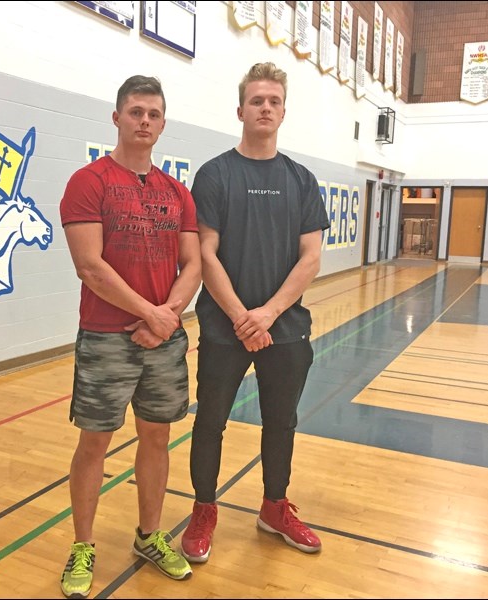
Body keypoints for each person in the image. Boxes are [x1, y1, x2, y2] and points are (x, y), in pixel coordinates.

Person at [180, 62, 331, 563]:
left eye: (274, 101)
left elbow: (311, 257)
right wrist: (243, 316)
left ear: (283, 111)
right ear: (241, 109)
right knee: (210, 424)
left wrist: (267, 313)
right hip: (226, 330)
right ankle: (204, 509)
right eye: (257, 100)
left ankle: (274, 507)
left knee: (281, 423)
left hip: (284, 330)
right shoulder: (216, 174)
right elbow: (207, 254)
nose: (265, 108)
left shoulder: (301, 179)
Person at [59, 75, 201, 598]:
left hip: (163, 339)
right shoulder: (88, 182)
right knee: (94, 441)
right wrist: (155, 315)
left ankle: (148, 536)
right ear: (116, 118)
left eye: (154, 114)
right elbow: (89, 267)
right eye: (135, 111)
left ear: (163, 124)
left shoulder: (177, 193)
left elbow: (194, 264)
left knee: (158, 437)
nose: (144, 121)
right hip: (105, 339)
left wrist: (167, 314)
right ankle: (82, 546)